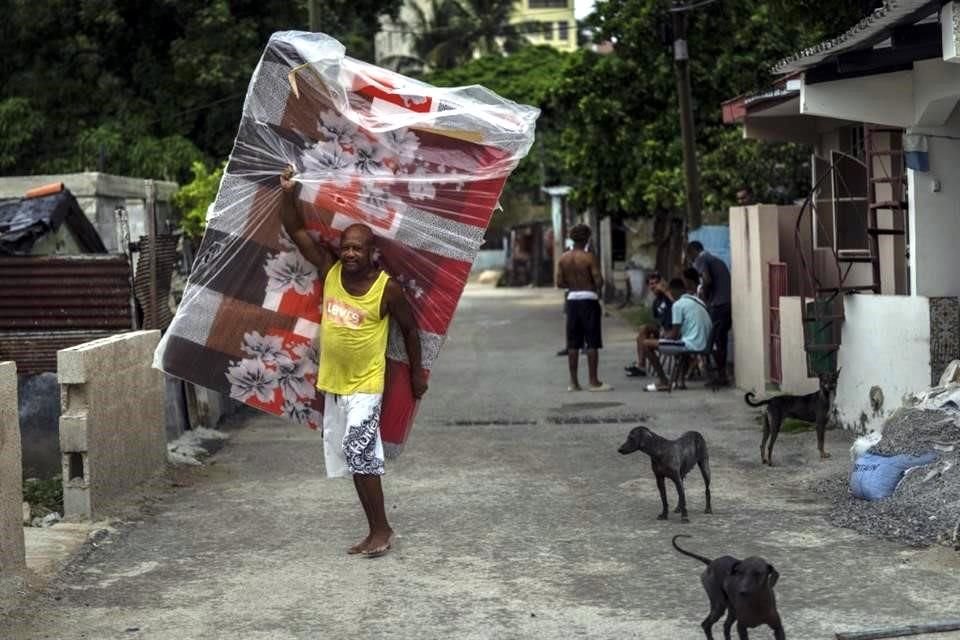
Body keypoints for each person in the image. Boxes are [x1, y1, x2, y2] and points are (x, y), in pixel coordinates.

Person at [279, 168, 428, 558]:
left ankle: (382, 529)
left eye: (357, 249)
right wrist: (289, 193)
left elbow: (411, 332)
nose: (349, 254)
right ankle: (376, 529)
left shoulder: (386, 288)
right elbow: (295, 230)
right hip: (335, 383)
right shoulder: (329, 271)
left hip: (366, 383)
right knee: (355, 456)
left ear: (371, 252)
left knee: (359, 450)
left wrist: (416, 376)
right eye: (345, 247)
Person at [556, 224, 611, 392]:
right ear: (587, 238)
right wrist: (592, 285)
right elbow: (599, 281)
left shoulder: (563, 258)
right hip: (589, 300)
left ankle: (574, 383)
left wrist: (573, 285)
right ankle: (593, 382)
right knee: (592, 341)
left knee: (573, 343)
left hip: (572, 300)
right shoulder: (589, 257)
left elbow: (559, 283)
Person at [637, 277, 713, 392]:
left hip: (692, 344)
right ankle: (680, 382)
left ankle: (663, 381)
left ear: (672, 291)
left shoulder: (678, 305)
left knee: (646, 344)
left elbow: (673, 335)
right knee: (677, 342)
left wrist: (663, 337)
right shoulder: (697, 301)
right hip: (706, 343)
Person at [687, 241, 732, 386]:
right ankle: (722, 375)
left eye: (689, 255)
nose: (690, 259)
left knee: (711, 341)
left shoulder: (701, 259)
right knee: (721, 341)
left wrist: (703, 296)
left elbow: (706, 280)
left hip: (717, 305)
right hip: (727, 304)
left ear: (694, 251)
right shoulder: (716, 260)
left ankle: (718, 377)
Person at [625, 271, 673, 377]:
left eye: (656, 283)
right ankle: (641, 365)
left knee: (644, 333)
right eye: (651, 284)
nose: (654, 286)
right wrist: (654, 331)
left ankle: (641, 365)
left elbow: (678, 305)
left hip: (674, 331)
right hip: (662, 331)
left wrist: (666, 292)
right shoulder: (656, 302)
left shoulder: (669, 295)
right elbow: (657, 321)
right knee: (642, 332)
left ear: (661, 283)